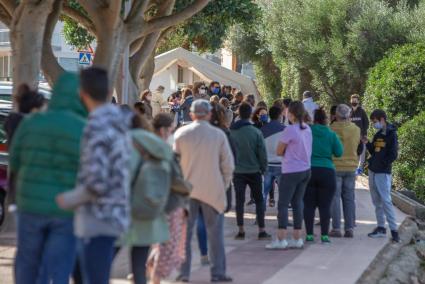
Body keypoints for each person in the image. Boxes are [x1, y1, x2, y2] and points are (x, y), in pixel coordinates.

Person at [10, 73, 87, 284]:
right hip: (65, 208)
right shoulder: (82, 128)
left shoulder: (31, 123)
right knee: (59, 265)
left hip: (30, 204)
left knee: (28, 259)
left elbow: (14, 161)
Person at [57, 67, 132, 284]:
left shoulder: (95, 126)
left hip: (97, 218)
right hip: (117, 213)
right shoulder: (121, 122)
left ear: (82, 93)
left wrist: (66, 200)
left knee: (90, 278)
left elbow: (96, 182)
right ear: (109, 91)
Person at [175, 100, 234, 283]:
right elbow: (228, 166)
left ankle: (183, 273)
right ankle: (218, 274)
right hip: (212, 190)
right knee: (215, 235)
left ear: (191, 114)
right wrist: (222, 186)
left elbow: (174, 166)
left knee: (185, 234)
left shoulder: (181, 134)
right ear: (208, 114)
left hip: (186, 191)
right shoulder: (218, 135)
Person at [266, 101, 312, 250]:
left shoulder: (289, 130)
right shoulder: (307, 129)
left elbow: (279, 151)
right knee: (298, 203)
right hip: (305, 170)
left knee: (283, 204)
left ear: (291, 114)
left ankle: (281, 239)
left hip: (291, 170)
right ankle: (297, 239)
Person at [230, 103, 270, 241]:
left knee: (239, 201)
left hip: (238, 171)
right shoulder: (256, 132)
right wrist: (264, 168)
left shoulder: (232, 131)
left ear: (239, 114)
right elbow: (262, 153)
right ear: (251, 115)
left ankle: (241, 230)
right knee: (259, 200)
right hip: (254, 171)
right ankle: (262, 230)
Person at [303, 108, 343, 244]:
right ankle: (325, 236)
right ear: (326, 119)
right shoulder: (331, 134)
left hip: (309, 170)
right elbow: (339, 152)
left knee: (308, 205)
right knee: (325, 206)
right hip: (327, 171)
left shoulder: (308, 132)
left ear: (314, 119)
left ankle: (309, 235)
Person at [364, 109, 399, 243]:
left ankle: (394, 231)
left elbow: (393, 154)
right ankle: (381, 228)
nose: (374, 124)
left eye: (375, 121)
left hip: (382, 173)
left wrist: (382, 164)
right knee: (376, 202)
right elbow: (374, 150)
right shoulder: (378, 134)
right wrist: (367, 143)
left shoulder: (391, 134)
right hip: (373, 171)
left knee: (386, 201)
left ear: (382, 119)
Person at [330, 104, 361, 238]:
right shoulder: (356, 129)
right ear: (349, 115)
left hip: (335, 167)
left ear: (335, 115)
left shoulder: (330, 129)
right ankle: (349, 228)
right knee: (349, 198)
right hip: (351, 167)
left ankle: (336, 228)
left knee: (335, 198)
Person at [261, 106, 285, 209]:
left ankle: (260, 217)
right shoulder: (285, 129)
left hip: (267, 164)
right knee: (283, 194)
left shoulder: (262, 130)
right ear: (280, 116)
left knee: (264, 192)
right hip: (281, 165)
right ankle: (282, 218)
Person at [350, 94, 369, 175]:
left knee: (362, 153)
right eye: (352, 101)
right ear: (350, 101)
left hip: (361, 136)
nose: (354, 102)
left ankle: (360, 169)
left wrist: (364, 133)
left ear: (358, 101)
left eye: (355, 101)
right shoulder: (349, 112)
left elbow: (367, 123)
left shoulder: (362, 111)